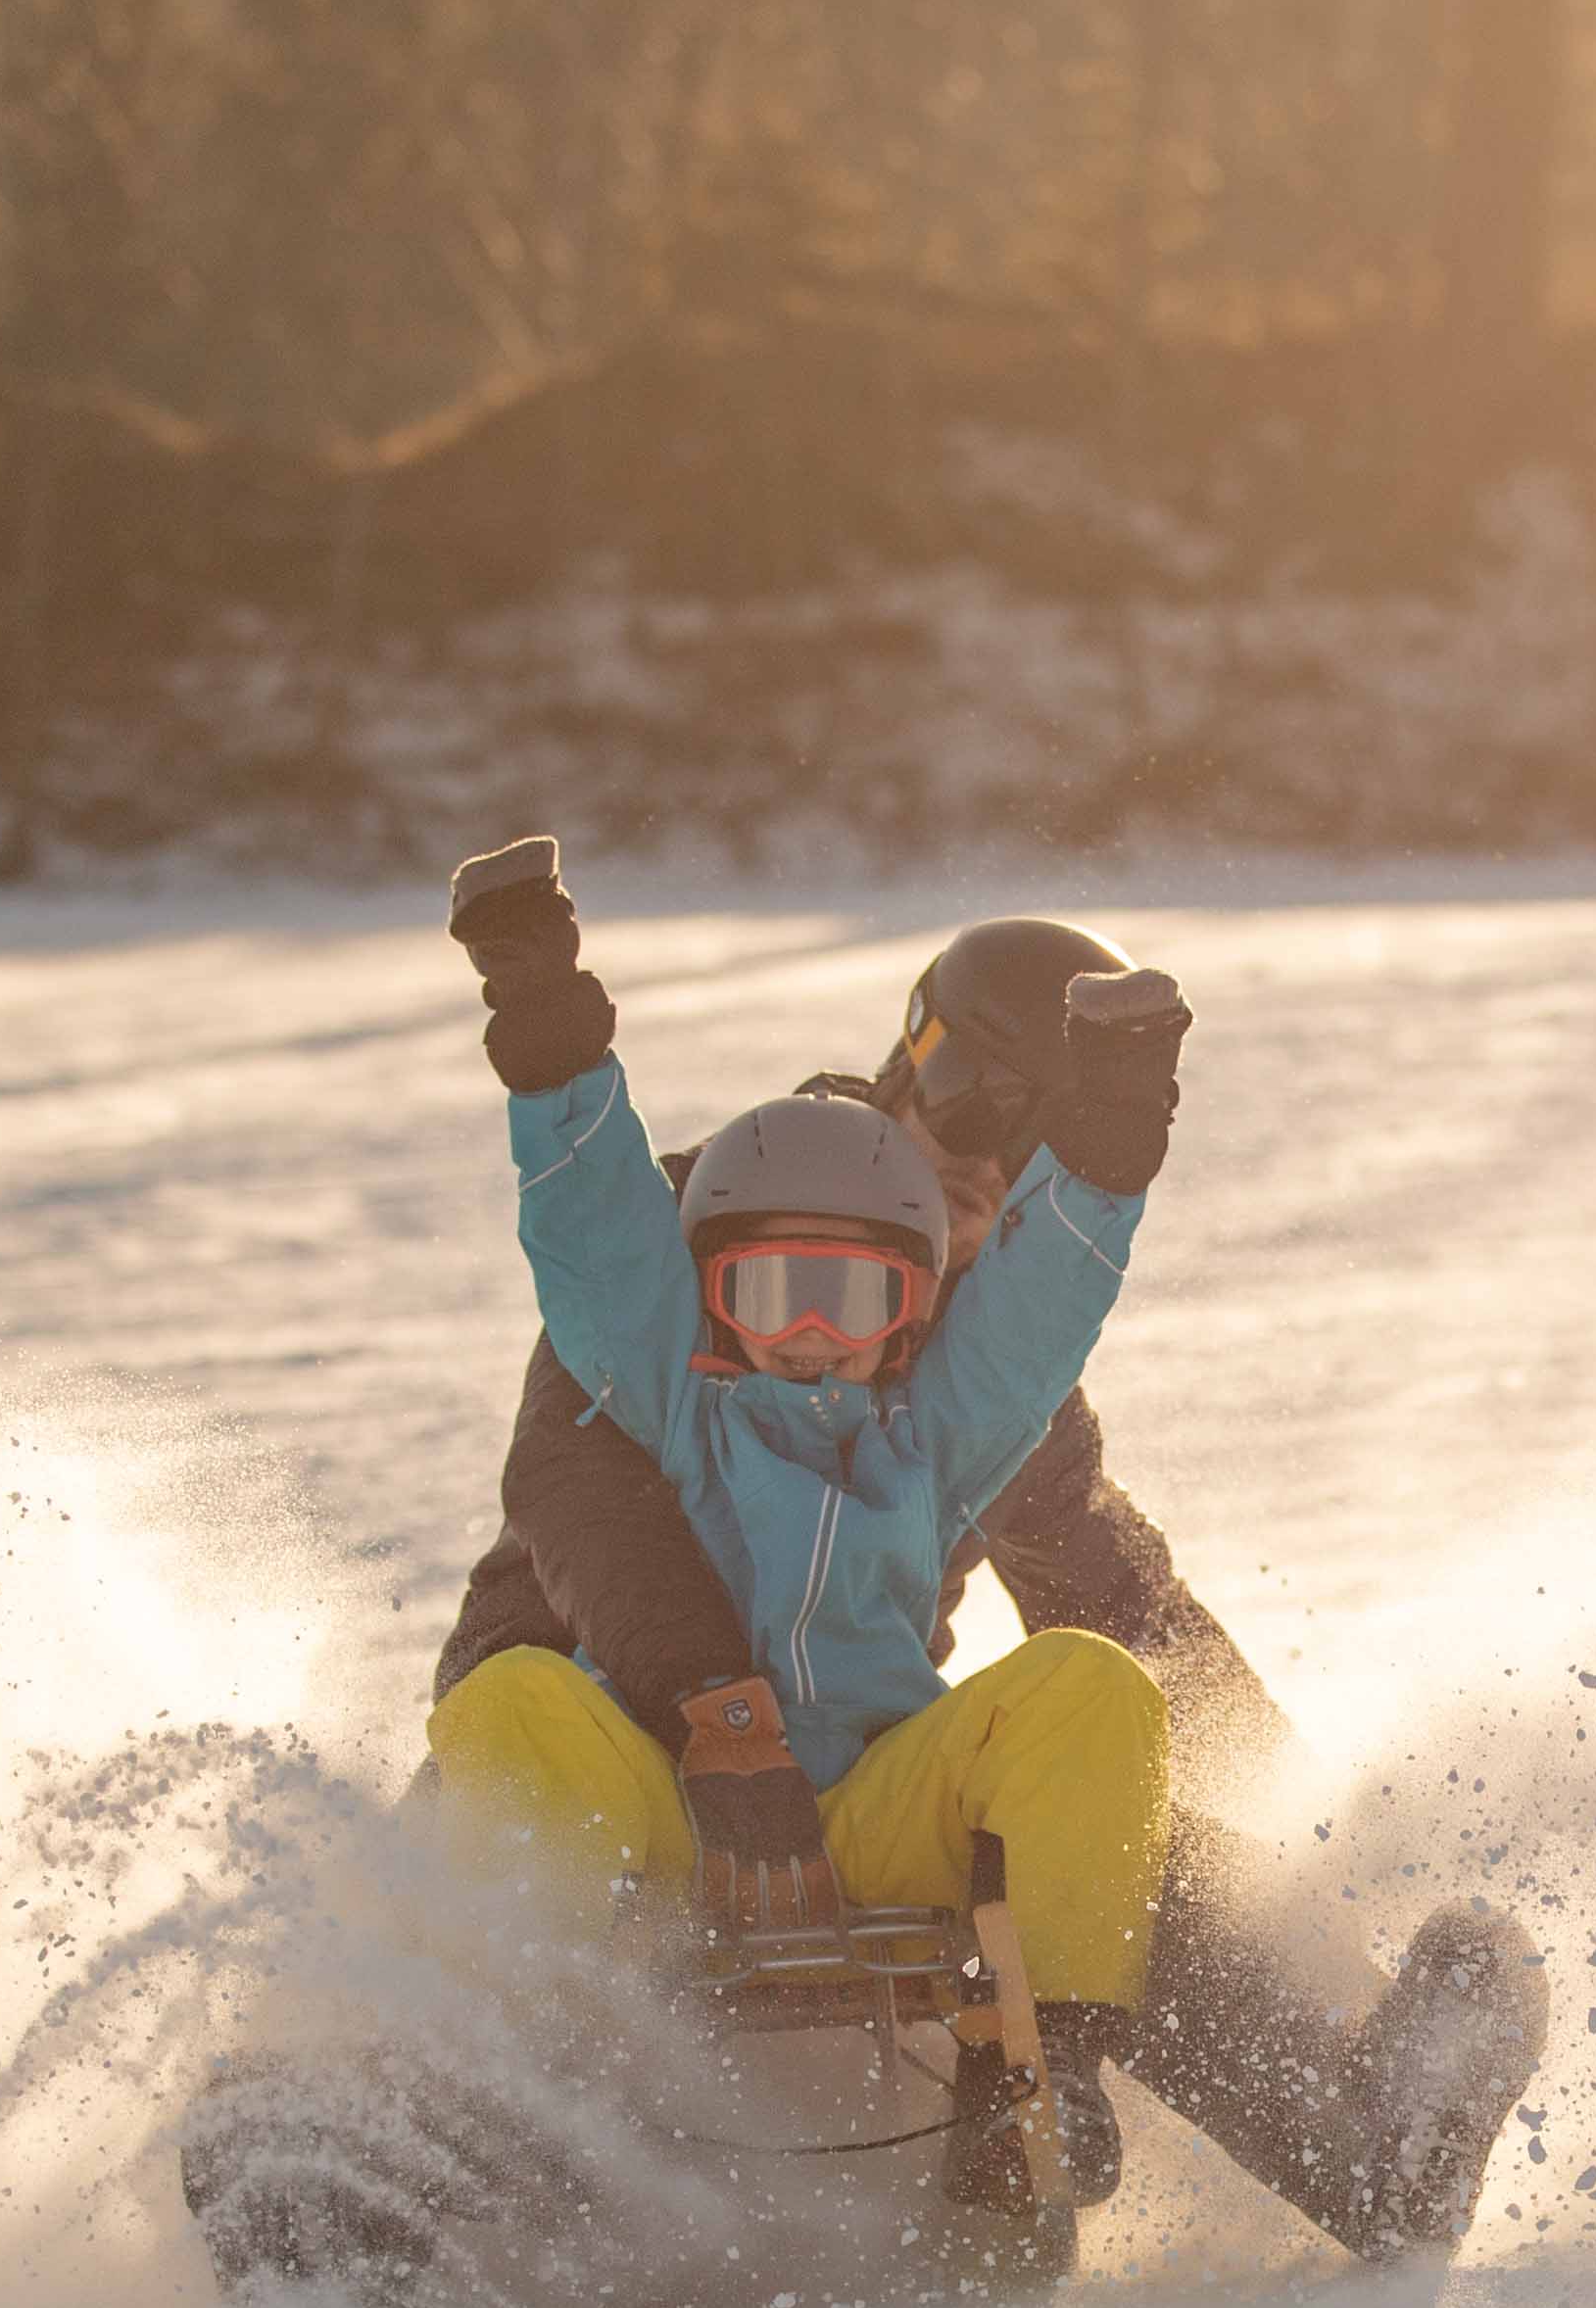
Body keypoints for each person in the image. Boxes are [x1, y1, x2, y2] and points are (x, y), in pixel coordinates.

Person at [422, 881, 1543, 2257]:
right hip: (586, 1723)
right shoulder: (699, 1240)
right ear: (906, 1066)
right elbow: (577, 1489)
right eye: (963, 1101)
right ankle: (393, 2157)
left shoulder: (982, 1373)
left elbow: (1112, 1602)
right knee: (464, 1839)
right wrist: (716, 1709)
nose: (983, 1165)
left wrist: (1293, 1839)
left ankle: (1357, 2134)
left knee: (1103, 1816)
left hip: (858, 1771)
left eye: (1033, 1139)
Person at [421, 835, 1182, 2201]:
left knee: (1099, 1696)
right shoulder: (670, 1355)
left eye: (863, 1301)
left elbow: (1053, 1319)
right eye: (781, 1298)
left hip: (873, 1805)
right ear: (713, 1298)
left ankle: (1041, 2082)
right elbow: (591, 1235)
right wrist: (544, 1020)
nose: (820, 1336)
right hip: (643, 1775)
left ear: (921, 1309)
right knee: (507, 1706)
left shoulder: (950, 1423)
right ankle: (489, 2093)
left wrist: (1117, 1149)